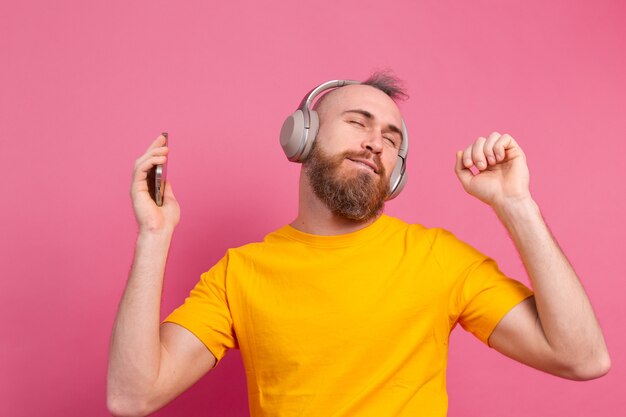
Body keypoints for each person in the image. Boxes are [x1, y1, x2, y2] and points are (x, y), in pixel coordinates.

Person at [107, 73, 610, 417]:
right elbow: (132, 396)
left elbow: (583, 359)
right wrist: (154, 235)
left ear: (397, 172)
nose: (376, 142)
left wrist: (515, 204)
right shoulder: (240, 273)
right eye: (358, 122)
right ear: (301, 138)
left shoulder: (439, 258)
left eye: (392, 138)